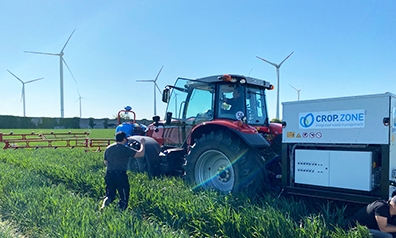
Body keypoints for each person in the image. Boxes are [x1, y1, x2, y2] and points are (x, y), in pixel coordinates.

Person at [100, 131, 145, 211]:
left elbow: (106, 162)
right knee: (124, 195)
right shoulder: (124, 149)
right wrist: (142, 144)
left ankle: (103, 206)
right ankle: (121, 211)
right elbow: (140, 154)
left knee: (109, 195)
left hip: (109, 174)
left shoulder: (108, 148)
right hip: (120, 175)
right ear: (124, 139)